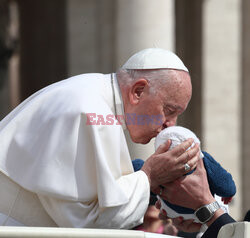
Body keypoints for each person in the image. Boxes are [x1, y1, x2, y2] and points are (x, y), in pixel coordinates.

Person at [0, 48, 200, 228]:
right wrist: (149, 176)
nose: (170, 124)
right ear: (138, 91)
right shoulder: (91, 113)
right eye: (169, 110)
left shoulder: (91, 92)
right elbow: (89, 223)